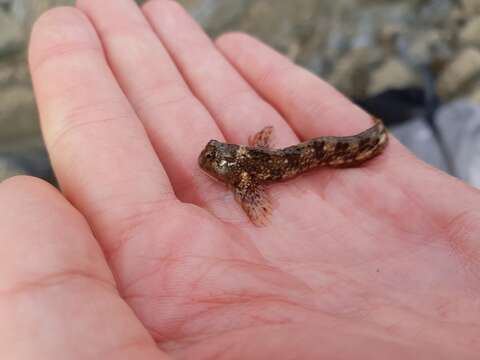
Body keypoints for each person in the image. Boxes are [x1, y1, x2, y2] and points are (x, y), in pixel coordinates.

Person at [1, 0, 478, 358]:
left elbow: (259, 185)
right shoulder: (248, 164)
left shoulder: (250, 175)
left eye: (221, 160)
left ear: (242, 167)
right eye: (217, 157)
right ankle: (376, 133)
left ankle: (373, 138)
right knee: (327, 148)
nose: (212, 160)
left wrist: (253, 194)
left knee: (330, 151)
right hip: (285, 156)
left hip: (300, 156)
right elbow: (257, 156)